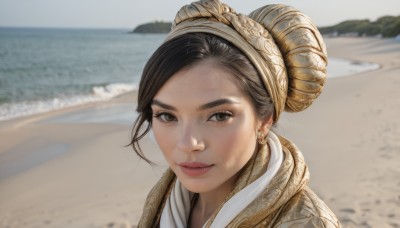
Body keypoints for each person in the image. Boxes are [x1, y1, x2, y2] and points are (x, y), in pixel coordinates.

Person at [130, 0, 340, 227]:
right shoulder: (164, 202)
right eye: (167, 116)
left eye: (219, 116)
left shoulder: (310, 222)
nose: (188, 143)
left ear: (265, 120)